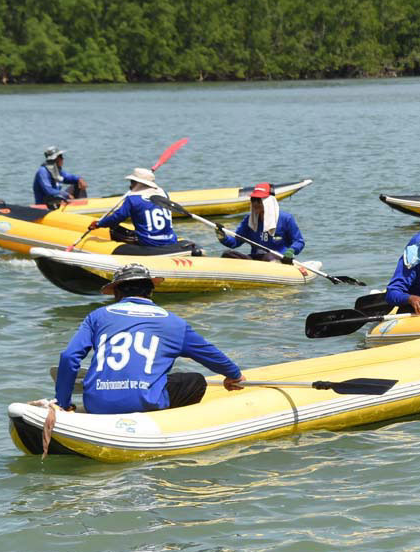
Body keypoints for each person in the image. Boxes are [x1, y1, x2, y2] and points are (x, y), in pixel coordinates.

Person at [54, 264, 243, 414]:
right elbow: (210, 354)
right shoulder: (173, 322)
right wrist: (234, 375)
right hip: (144, 401)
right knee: (196, 381)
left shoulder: (96, 316)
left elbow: (69, 357)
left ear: (117, 293)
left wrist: (63, 403)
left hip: (96, 405)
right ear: (151, 291)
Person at [88, 167, 180, 248]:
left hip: (149, 242)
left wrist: (99, 224)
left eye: (132, 182)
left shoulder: (132, 199)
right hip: (170, 239)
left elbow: (117, 217)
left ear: (137, 183)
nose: (130, 185)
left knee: (114, 228)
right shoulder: (164, 194)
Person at [216, 183, 304, 263]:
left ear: (269, 202)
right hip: (255, 259)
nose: (255, 203)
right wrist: (223, 237)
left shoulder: (285, 219)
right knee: (227, 255)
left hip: (278, 258)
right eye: (253, 199)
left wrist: (291, 250)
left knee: (269, 257)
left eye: (259, 200)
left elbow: (299, 241)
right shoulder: (249, 220)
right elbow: (235, 242)